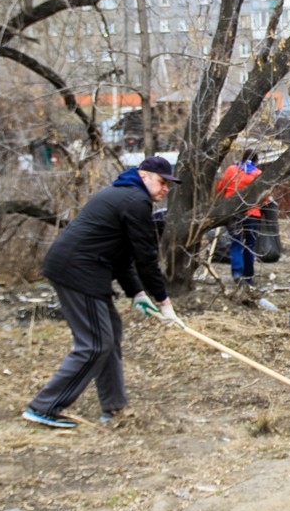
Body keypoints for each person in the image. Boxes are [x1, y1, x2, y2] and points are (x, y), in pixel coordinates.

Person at [23, 156, 184, 428]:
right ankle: (44, 407)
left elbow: (123, 255)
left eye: (168, 184)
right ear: (143, 176)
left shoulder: (124, 195)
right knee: (95, 343)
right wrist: (164, 302)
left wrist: (137, 293)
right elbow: (146, 259)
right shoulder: (135, 201)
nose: (165, 189)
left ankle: (113, 406)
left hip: (82, 268)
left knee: (109, 333)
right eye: (161, 182)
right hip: (78, 271)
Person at [217, 149, 265, 284]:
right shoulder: (258, 174)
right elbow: (264, 197)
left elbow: (221, 188)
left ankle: (237, 272)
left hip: (233, 213)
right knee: (250, 245)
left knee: (236, 242)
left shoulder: (231, 170)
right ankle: (248, 277)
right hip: (252, 214)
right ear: (256, 161)